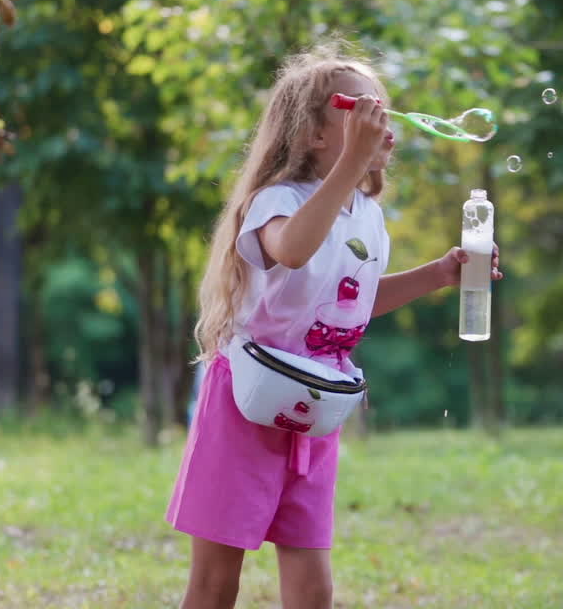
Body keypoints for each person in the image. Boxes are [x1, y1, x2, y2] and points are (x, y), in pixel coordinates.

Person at [166, 42, 502, 609]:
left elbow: (349, 304)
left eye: (384, 111)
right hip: (245, 403)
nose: (381, 122)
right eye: (361, 110)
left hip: (316, 406)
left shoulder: (366, 215)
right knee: (216, 581)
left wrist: (439, 274)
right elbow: (293, 251)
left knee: (313, 587)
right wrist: (352, 166)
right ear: (312, 134)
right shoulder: (274, 201)